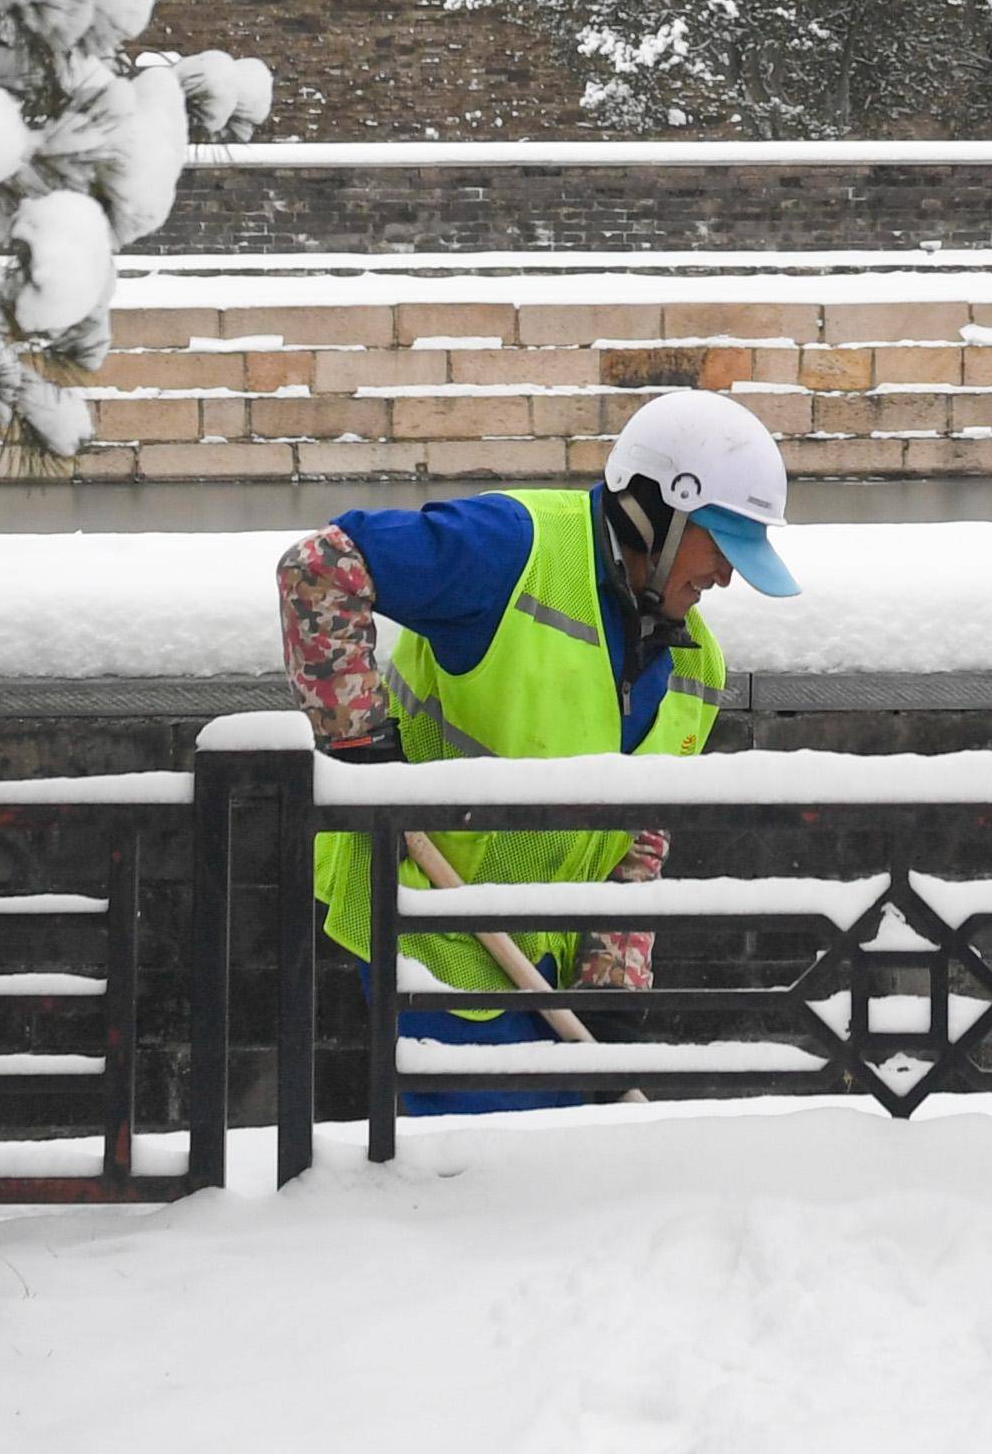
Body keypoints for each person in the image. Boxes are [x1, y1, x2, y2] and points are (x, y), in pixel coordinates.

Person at [279, 388, 799, 1112]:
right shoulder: (511, 549)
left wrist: (613, 994)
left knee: (565, 1193)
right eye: (723, 544)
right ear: (662, 511)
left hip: (551, 980)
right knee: (482, 1194)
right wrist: (360, 746)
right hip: (432, 940)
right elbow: (323, 566)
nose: (727, 576)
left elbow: (638, 841)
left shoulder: (694, 665)